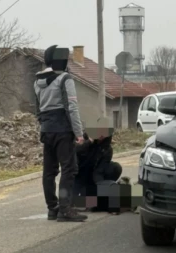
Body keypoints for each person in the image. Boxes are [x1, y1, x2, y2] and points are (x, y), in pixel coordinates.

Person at [34, 45, 88, 222]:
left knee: (49, 171)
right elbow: (71, 107)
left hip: (46, 129)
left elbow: (38, 109)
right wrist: (78, 132)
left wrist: (45, 124)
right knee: (69, 169)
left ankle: (53, 208)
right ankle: (65, 209)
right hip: (63, 129)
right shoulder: (65, 79)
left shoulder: (37, 80)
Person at [72, 132, 123, 212]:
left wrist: (103, 187)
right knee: (75, 201)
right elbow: (75, 151)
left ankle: (105, 199)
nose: (101, 135)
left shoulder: (107, 149)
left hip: (92, 178)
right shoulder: (83, 140)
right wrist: (89, 142)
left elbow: (99, 172)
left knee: (115, 167)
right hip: (78, 176)